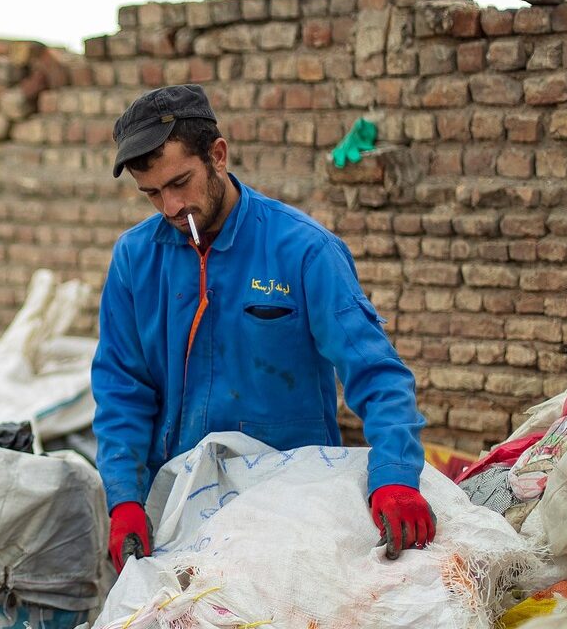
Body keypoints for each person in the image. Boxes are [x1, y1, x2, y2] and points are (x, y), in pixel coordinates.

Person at [92, 85, 435, 573]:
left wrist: (396, 475)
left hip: (292, 510)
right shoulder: (134, 258)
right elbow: (121, 388)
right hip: (176, 508)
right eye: (152, 194)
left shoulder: (304, 250)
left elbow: (377, 373)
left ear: (218, 155)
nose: (170, 207)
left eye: (180, 183)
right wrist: (125, 497)